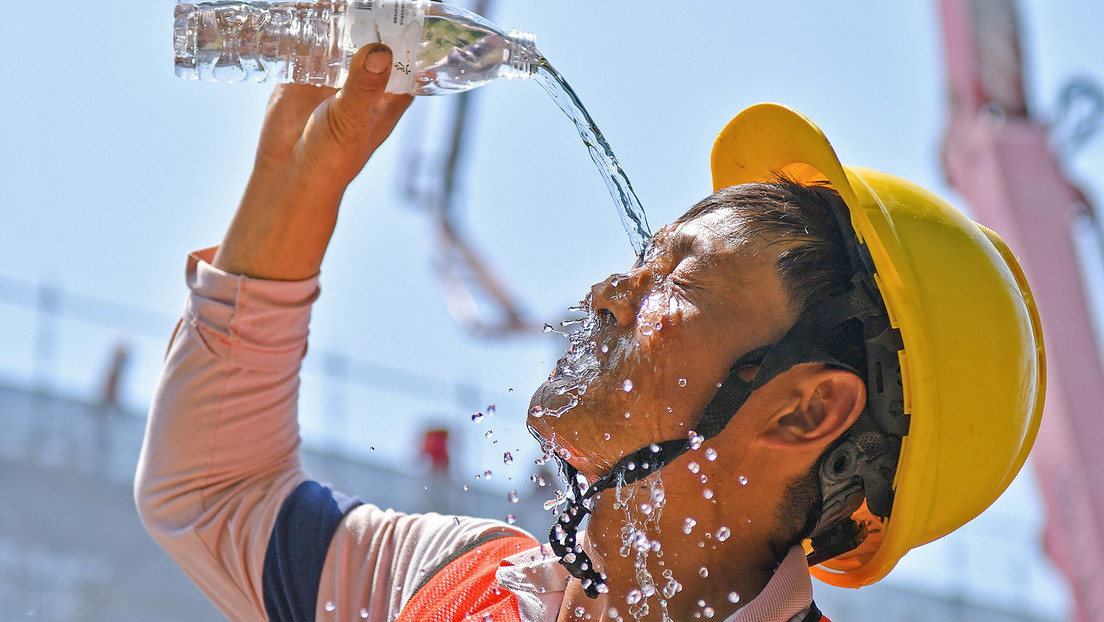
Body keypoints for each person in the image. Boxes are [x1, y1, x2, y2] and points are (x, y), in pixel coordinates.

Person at [136, 44, 1045, 622]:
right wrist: (299, 180)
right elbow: (213, 491)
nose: (610, 291)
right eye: (640, 259)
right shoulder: (465, 582)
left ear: (808, 412)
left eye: (676, 277)